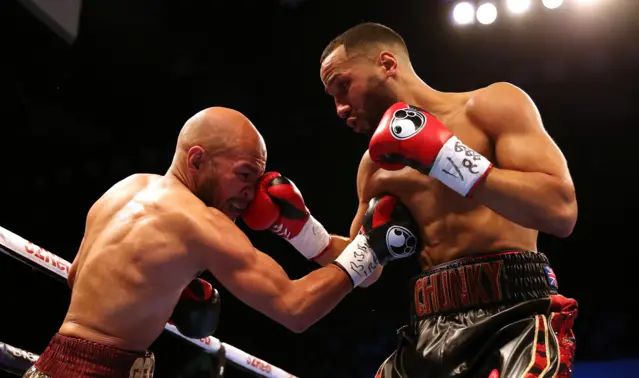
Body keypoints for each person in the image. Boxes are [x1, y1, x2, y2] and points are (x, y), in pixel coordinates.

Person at [244, 23, 579, 378]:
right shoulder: (374, 166)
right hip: (429, 330)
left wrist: (445, 157)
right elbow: (367, 267)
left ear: (387, 64)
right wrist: (300, 229)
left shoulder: (490, 106)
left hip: (514, 318)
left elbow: (560, 211)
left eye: (344, 86)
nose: (340, 108)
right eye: (332, 97)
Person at [24, 107, 419, 378]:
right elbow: (295, 308)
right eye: (245, 174)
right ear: (196, 160)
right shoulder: (201, 222)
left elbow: (77, 276)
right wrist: (373, 248)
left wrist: (160, 294)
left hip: (48, 364)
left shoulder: (126, 189)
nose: (251, 193)